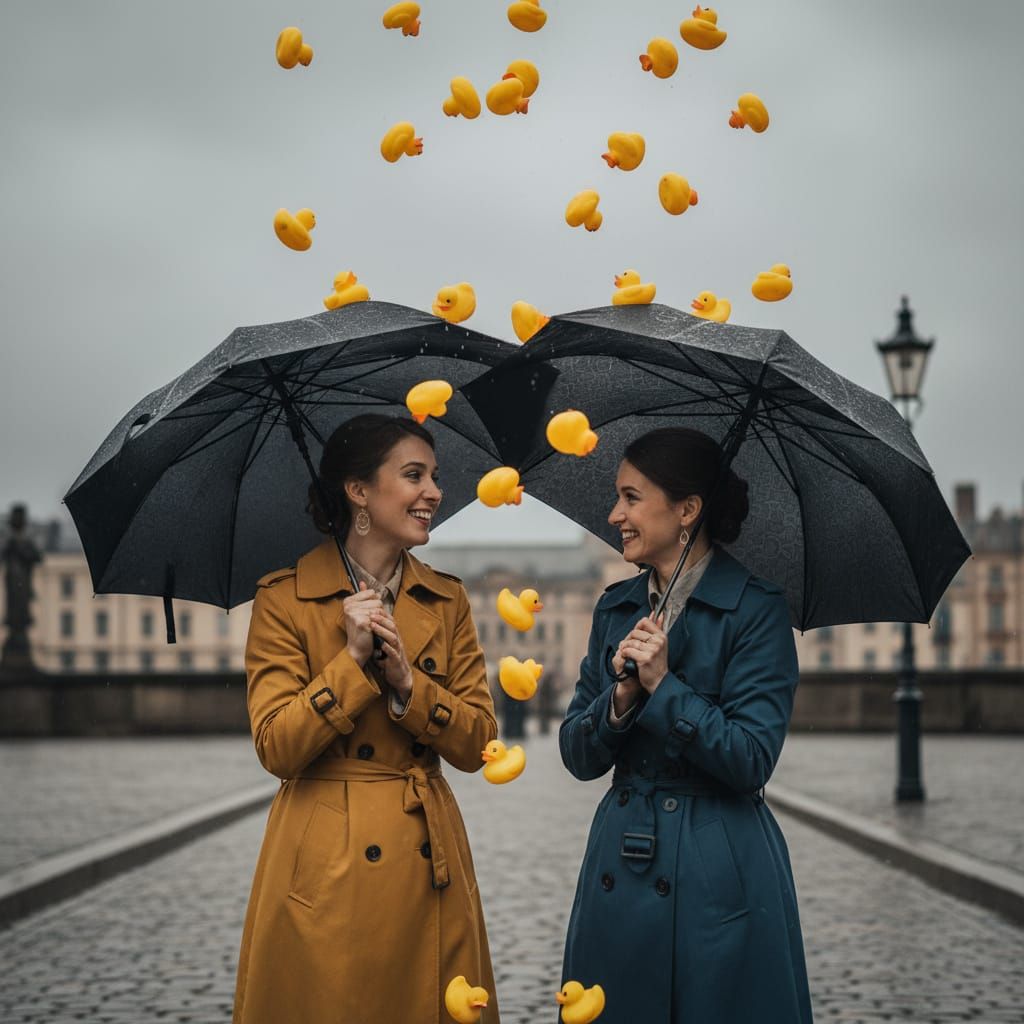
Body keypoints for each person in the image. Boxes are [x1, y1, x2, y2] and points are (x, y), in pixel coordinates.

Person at [233, 413, 500, 1024]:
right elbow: (275, 746)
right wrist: (352, 664)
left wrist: (408, 684)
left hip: (426, 859)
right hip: (324, 863)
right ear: (358, 491)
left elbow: (479, 742)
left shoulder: (446, 598)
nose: (434, 492)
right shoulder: (284, 598)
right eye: (414, 475)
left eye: (434, 476)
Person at [558, 427, 813, 1023]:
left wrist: (665, 688)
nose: (615, 513)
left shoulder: (756, 609)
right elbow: (578, 754)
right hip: (622, 857)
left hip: (718, 867)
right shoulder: (616, 607)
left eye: (631, 497)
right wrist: (620, 695)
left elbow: (752, 757)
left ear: (687, 510)